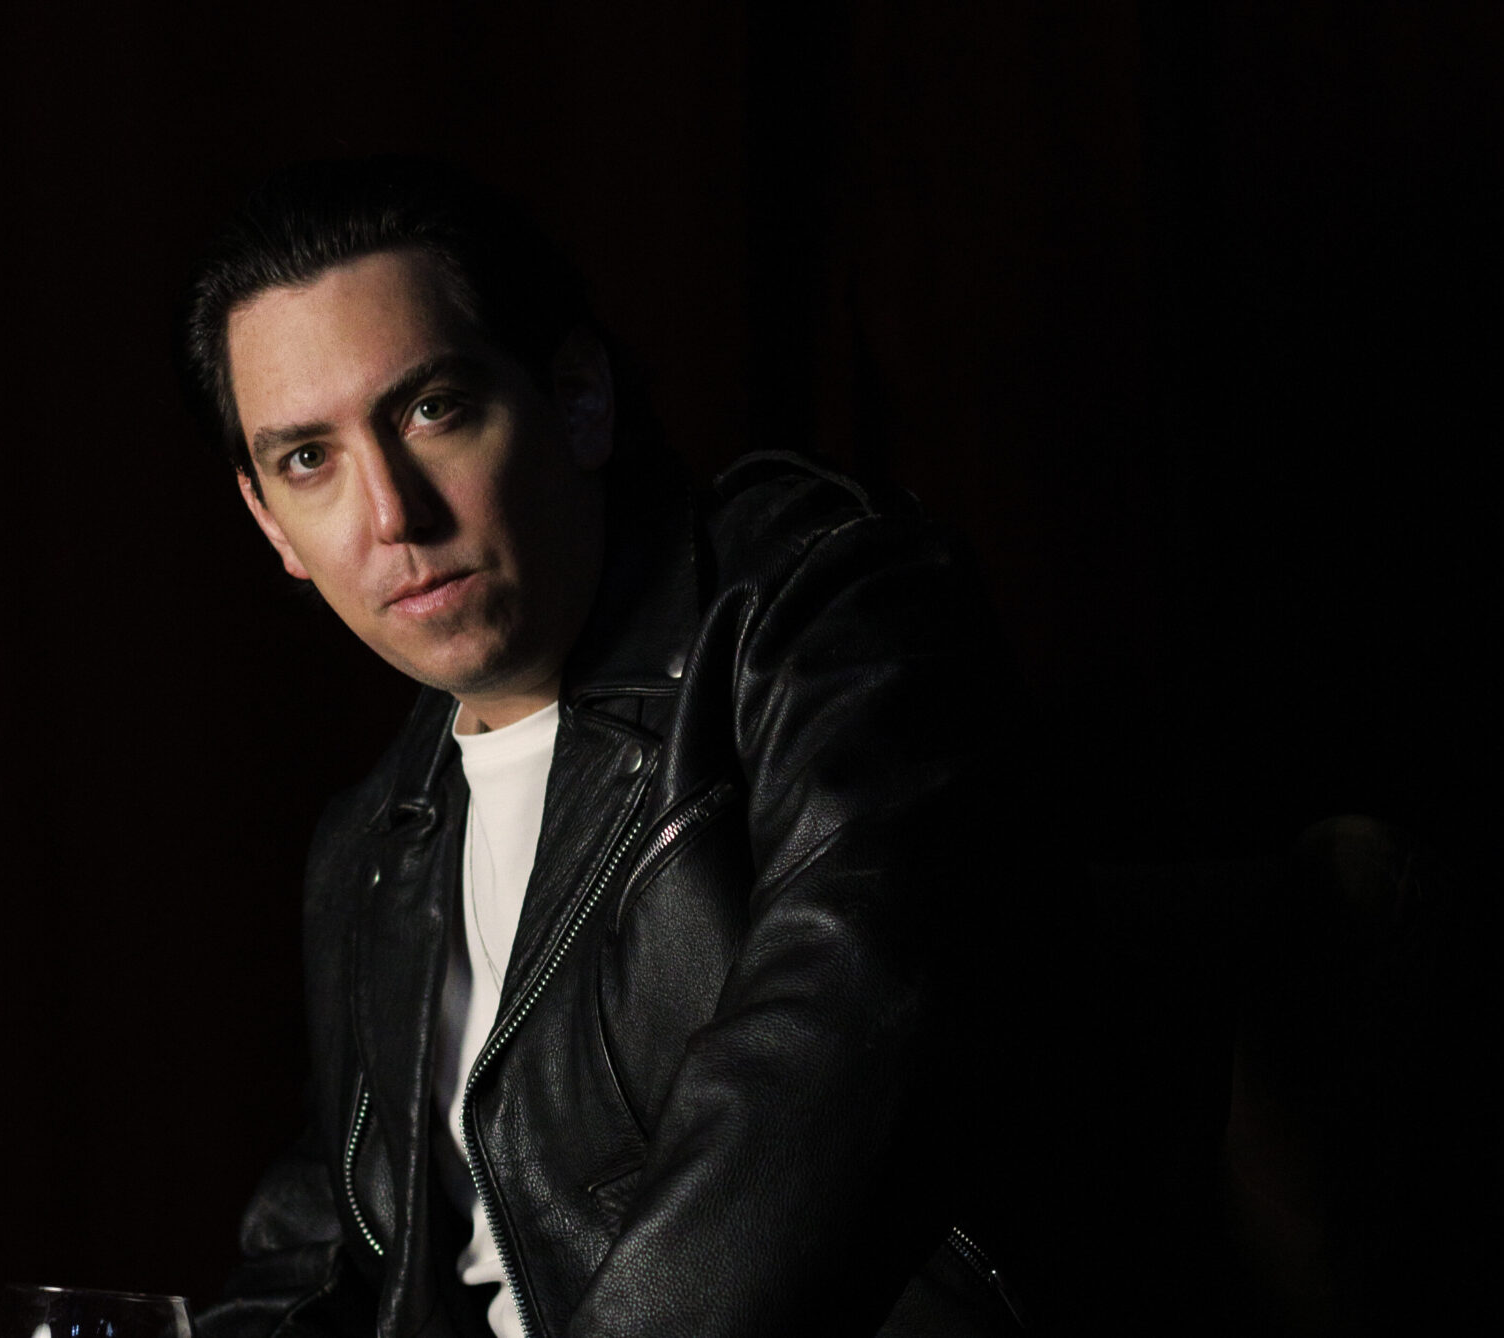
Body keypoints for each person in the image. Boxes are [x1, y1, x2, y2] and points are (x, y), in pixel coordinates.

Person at [182, 157, 1064, 1338]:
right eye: (309, 459)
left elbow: (822, 1071)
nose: (391, 514)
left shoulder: (816, 616)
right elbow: (316, 1260)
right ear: (270, 523)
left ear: (578, 398)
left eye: (433, 409)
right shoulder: (375, 844)